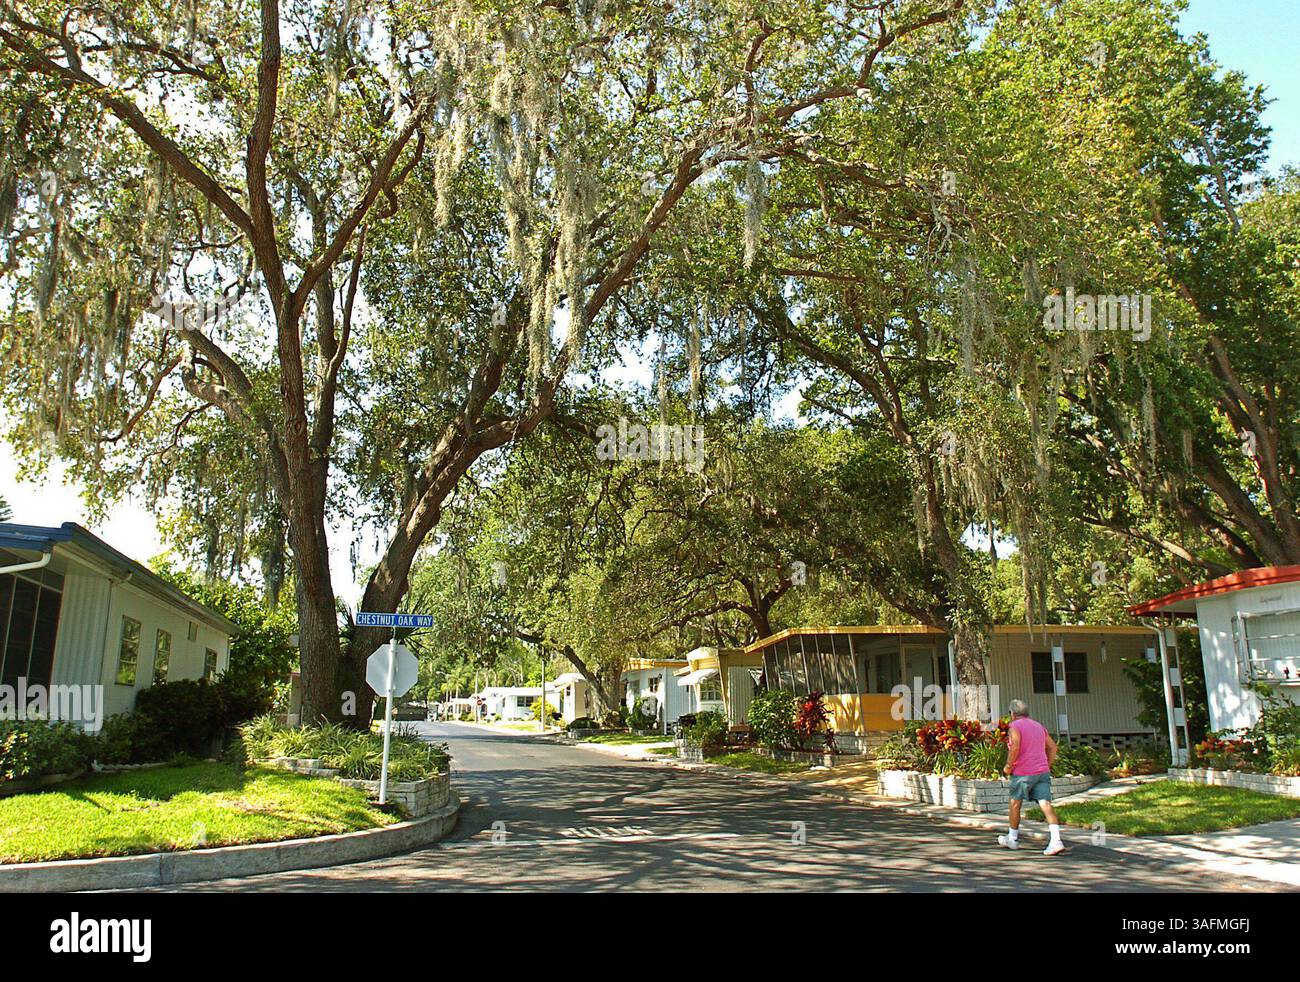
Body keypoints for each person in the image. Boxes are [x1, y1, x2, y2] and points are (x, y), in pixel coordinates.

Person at [997, 699, 1065, 856]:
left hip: (1023, 772)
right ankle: (1056, 841)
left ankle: (1012, 838)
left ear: (1012, 714)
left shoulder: (1014, 726)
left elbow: (1015, 746)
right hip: (1042, 772)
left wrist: (1008, 765)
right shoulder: (1038, 726)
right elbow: (1052, 746)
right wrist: (1047, 764)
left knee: (1015, 804)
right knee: (1045, 804)